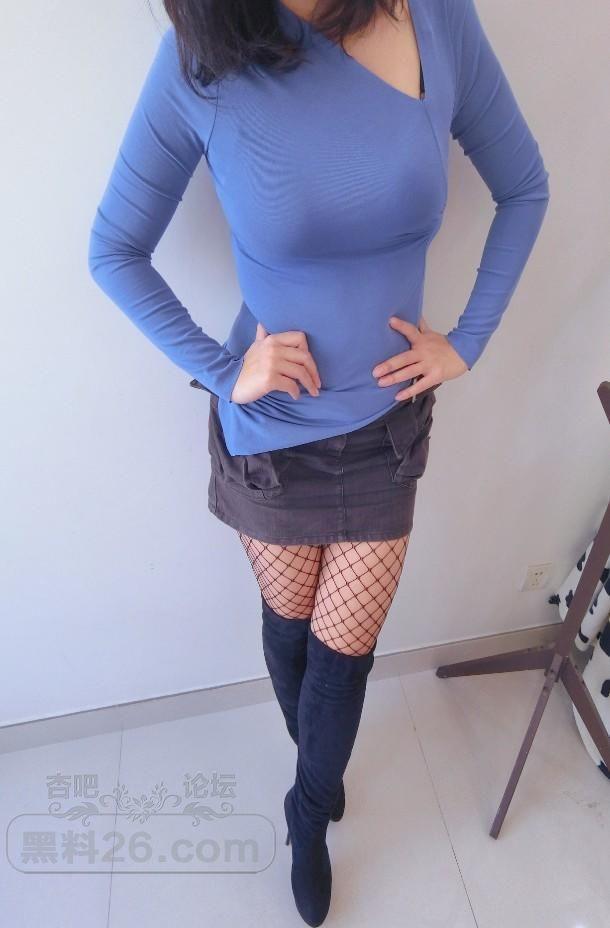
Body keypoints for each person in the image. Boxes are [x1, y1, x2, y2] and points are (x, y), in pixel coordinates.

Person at [88, 1, 550, 923]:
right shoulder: (201, 58)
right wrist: (226, 371)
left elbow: (525, 188)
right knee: (290, 627)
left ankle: (307, 810)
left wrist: (467, 341)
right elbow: (114, 249)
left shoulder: (436, 17)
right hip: (270, 437)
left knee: (344, 656)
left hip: (386, 427)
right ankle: (318, 771)